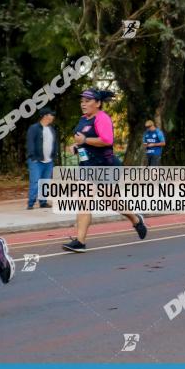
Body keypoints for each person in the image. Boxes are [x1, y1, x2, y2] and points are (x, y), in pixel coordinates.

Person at [62, 89, 148, 253]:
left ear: (98, 103)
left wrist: (85, 140)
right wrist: (76, 146)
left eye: (87, 101)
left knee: (112, 202)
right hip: (88, 167)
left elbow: (107, 140)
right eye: (82, 101)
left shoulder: (102, 118)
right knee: (84, 200)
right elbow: (82, 142)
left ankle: (136, 219)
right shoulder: (83, 119)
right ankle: (80, 241)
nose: (83, 104)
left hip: (106, 166)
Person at [26, 107, 58, 209]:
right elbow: (30, 142)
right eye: (51, 115)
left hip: (49, 161)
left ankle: (43, 202)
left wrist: (54, 155)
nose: (52, 117)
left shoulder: (51, 129)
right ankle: (31, 203)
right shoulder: (34, 128)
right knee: (35, 181)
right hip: (36, 160)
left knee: (45, 182)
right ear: (45, 116)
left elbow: (54, 143)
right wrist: (32, 156)